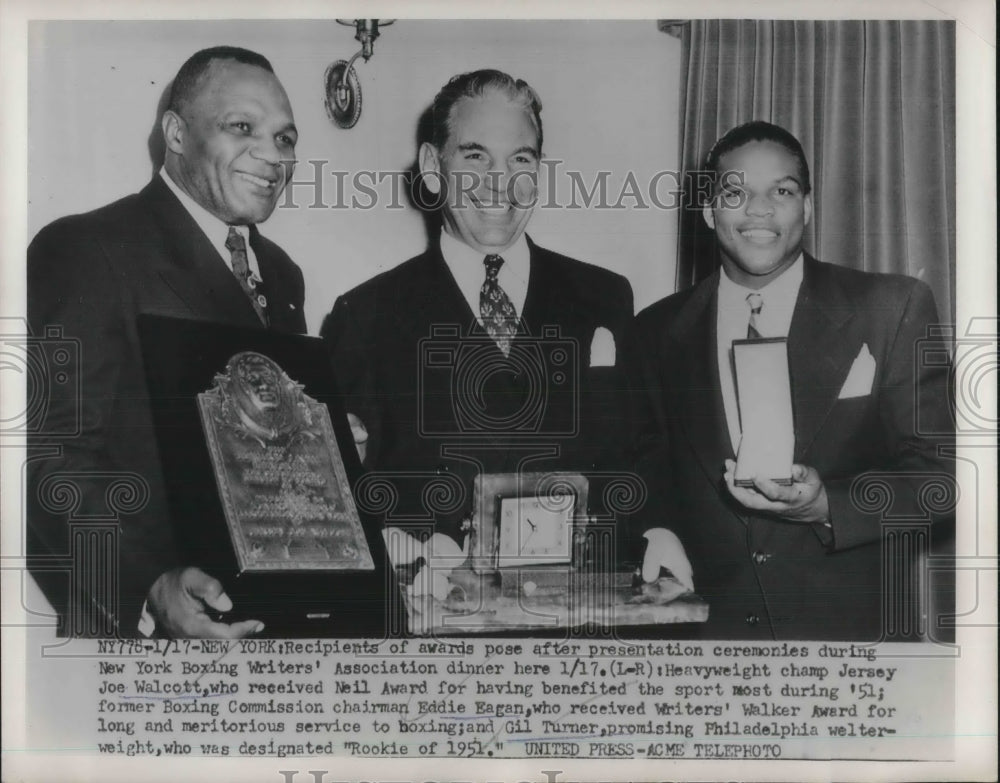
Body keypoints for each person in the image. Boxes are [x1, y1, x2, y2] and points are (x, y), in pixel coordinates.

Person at [622, 121, 953, 640]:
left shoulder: (892, 308)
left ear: (808, 207)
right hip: (708, 645)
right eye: (736, 192)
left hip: (854, 646)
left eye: (782, 190)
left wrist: (828, 505)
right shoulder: (655, 331)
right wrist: (657, 528)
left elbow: (941, 480)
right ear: (708, 211)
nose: (760, 209)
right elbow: (645, 464)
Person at [27, 46, 306, 638]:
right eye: (242, 128)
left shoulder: (281, 274)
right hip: (149, 637)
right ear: (176, 133)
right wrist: (151, 584)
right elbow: (55, 460)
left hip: (267, 620)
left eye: (285, 139)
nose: (272, 155)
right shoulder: (88, 249)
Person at [321, 69, 634, 548]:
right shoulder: (364, 316)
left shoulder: (605, 297)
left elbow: (636, 457)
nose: (499, 183)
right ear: (432, 165)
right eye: (475, 157)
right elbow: (344, 496)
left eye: (520, 160)